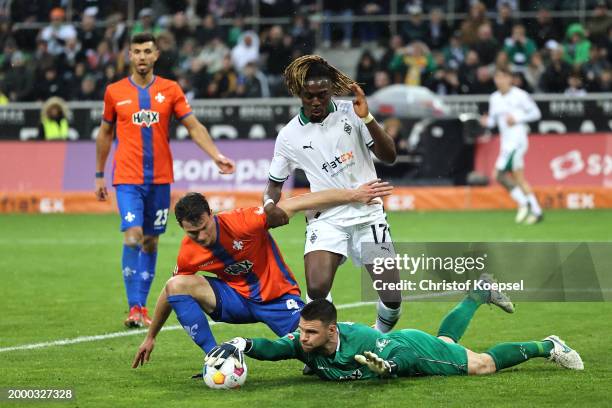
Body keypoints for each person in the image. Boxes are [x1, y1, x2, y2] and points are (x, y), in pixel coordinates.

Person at [131, 180, 394, 367]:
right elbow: (170, 290)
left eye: (203, 228)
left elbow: (298, 202)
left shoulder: (244, 221)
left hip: (278, 299)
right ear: (182, 228)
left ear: (211, 214)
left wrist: (352, 195)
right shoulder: (188, 251)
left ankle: (380, 345)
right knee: (177, 283)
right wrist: (151, 336)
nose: (200, 237)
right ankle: (216, 358)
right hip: (236, 300)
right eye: (192, 233)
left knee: (319, 351)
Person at [95, 33, 235, 328]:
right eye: (136, 51)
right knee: (132, 234)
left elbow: (193, 126)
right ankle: (134, 307)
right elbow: (105, 133)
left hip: (159, 179)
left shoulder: (170, 90)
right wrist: (98, 173)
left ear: (156, 55)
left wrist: (215, 155)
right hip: (127, 178)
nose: (142, 56)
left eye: (147, 51)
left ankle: (142, 308)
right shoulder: (114, 91)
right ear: (129, 56)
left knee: (150, 240)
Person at [263, 55, 403, 339]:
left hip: (369, 214)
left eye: (322, 95)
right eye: (309, 96)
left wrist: (368, 117)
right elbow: (274, 185)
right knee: (316, 289)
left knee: (391, 294)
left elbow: (389, 156)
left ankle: (377, 338)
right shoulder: (289, 135)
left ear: (331, 91)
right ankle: (327, 345)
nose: (316, 102)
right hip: (326, 218)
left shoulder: (352, 113)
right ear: (299, 94)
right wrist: (268, 205)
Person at [204, 280, 583, 381]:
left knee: (480, 364)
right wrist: (244, 343)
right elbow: (276, 348)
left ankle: (547, 344)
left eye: (310, 333)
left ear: (332, 331)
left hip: (409, 349)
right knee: (447, 340)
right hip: (402, 350)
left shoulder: (363, 341)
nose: (302, 339)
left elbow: (400, 355)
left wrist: (389, 369)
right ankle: (479, 291)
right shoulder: (305, 341)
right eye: (302, 331)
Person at [480, 67, 543, 225]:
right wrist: (487, 122)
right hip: (506, 142)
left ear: (510, 79)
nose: (499, 80)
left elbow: (536, 113)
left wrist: (517, 118)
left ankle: (523, 203)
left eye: (503, 77)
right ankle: (536, 210)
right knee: (519, 178)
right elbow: (495, 121)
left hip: (517, 141)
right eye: (497, 77)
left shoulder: (520, 95)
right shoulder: (494, 98)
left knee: (498, 174)